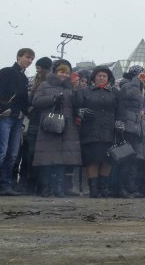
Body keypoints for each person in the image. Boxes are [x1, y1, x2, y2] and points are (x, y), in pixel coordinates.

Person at [32, 60, 82, 197]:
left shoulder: (70, 87)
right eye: (61, 71)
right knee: (47, 159)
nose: (64, 75)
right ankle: (45, 188)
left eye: (67, 73)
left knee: (62, 159)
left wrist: (77, 90)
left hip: (67, 126)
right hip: (49, 125)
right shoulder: (44, 84)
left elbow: (78, 104)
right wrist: (53, 99)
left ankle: (59, 188)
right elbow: (36, 101)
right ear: (55, 72)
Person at [0, 48, 35, 196]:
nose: (29, 61)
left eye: (31, 59)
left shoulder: (23, 78)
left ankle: (4, 184)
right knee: (1, 151)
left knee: (12, 153)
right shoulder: (6, 72)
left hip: (17, 118)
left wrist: (24, 111)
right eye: (27, 57)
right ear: (18, 57)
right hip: (4, 117)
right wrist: (2, 108)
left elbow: (22, 101)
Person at [72, 65, 120, 198]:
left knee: (107, 160)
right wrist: (81, 112)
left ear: (108, 78)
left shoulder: (115, 92)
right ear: (94, 77)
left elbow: (120, 111)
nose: (102, 78)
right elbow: (76, 107)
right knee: (93, 160)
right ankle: (93, 190)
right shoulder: (85, 91)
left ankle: (103, 188)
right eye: (99, 75)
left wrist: (120, 126)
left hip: (110, 131)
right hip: (90, 130)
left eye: (104, 76)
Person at [18, 56, 51, 195]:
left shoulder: (47, 83)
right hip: (35, 121)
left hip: (40, 121)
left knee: (34, 154)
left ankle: (32, 184)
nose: (37, 71)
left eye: (39, 68)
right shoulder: (37, 80)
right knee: (29, 153)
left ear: (45, 69)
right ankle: (28, 184)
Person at [116, 65, 145, 198]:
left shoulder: (137, 86)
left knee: (132, 159)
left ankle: (130, 188)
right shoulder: (126, 85)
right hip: (126, 126)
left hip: (135, 126)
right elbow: (131, 95)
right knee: (125, 158)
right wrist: (137, 80)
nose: (143, 77)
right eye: (141, 74)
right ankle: (121, 188)